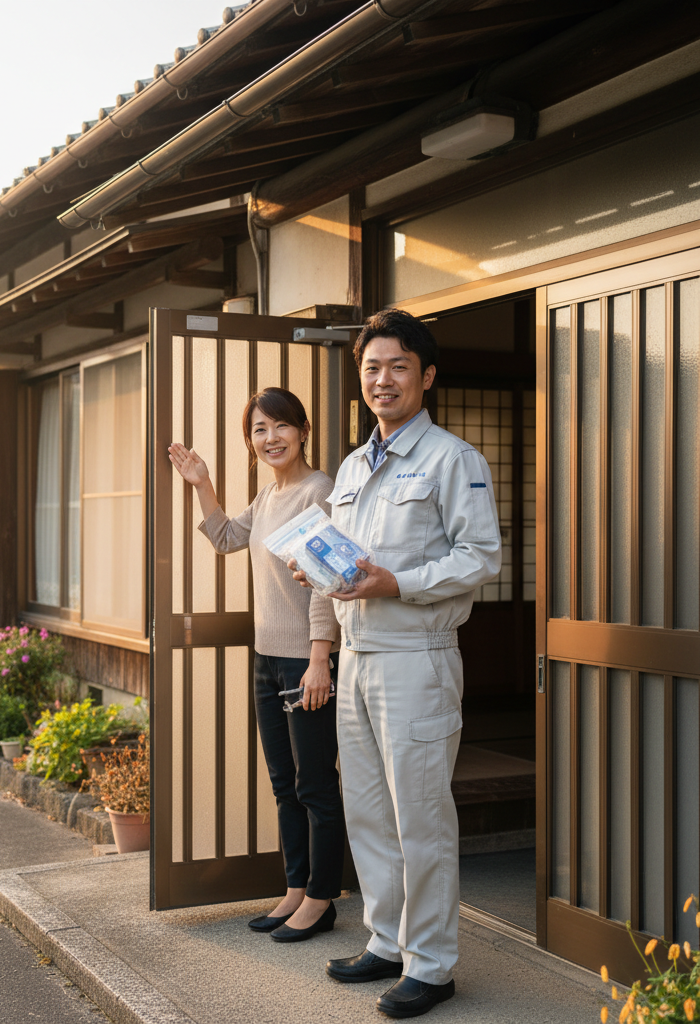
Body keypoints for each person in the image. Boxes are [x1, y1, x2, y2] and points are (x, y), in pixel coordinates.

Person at [293, 309, 501, 1017]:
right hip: (356, 657)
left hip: (418, 658)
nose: (383, 380)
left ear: (427, 376)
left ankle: (433, 964)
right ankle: (385, 941)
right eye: (372, 368)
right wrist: (318, 570)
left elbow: (480, 558)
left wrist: (398, 583)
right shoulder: (354, 465)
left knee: (421, 819)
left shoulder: (454, 459)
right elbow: (350, 562)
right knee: (370, 813)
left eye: (398, 366)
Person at [168, 386, 346, 943]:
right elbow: (225, 539)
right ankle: (295, 888)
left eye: (280, 426)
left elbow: (328, 581)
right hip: (268, 658)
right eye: (259, 430)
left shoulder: (320, 492)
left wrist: (320, 660)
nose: (271, 438)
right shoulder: (269, 497)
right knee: (284, 783)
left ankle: (323, 897)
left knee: (315, 784)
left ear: (303, 430)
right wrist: (203, 485)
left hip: (305, 661)